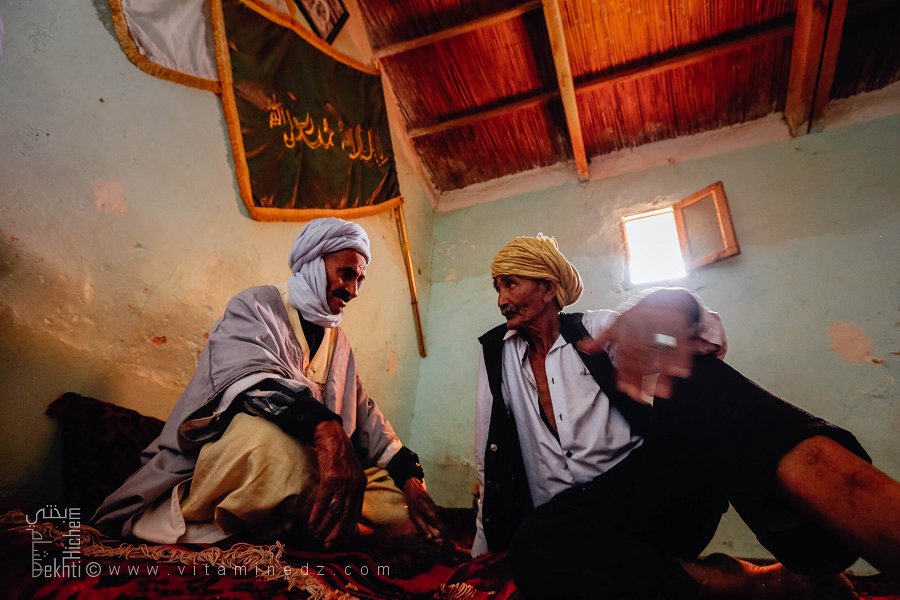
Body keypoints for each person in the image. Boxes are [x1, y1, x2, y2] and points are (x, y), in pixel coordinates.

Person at [473, 233, 900, 599]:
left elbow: (701, 339)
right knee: (533, 547)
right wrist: (481, 554)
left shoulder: (597, 329)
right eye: (497, 287)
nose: (501, 300)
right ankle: (754, 583)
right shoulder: (497, 356)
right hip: (572, 525)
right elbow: (486, 459)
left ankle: (856, 501)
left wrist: (675, 310)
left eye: (510, 283)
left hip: (656, 495)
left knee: (688, 372)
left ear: (548, 289)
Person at [93, 218, 445, 549]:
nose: (352, 290)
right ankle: (356, 534)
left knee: (397, 499)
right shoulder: (256, 305)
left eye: (359, 279)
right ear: (313, 262)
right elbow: (251, 383)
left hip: (309, 469)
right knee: (272, 450)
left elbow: (368, 416)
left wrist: (410, 480)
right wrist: (328, 432)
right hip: (241, 455)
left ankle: (320, 523)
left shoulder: (340, 345)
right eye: (346, 273)